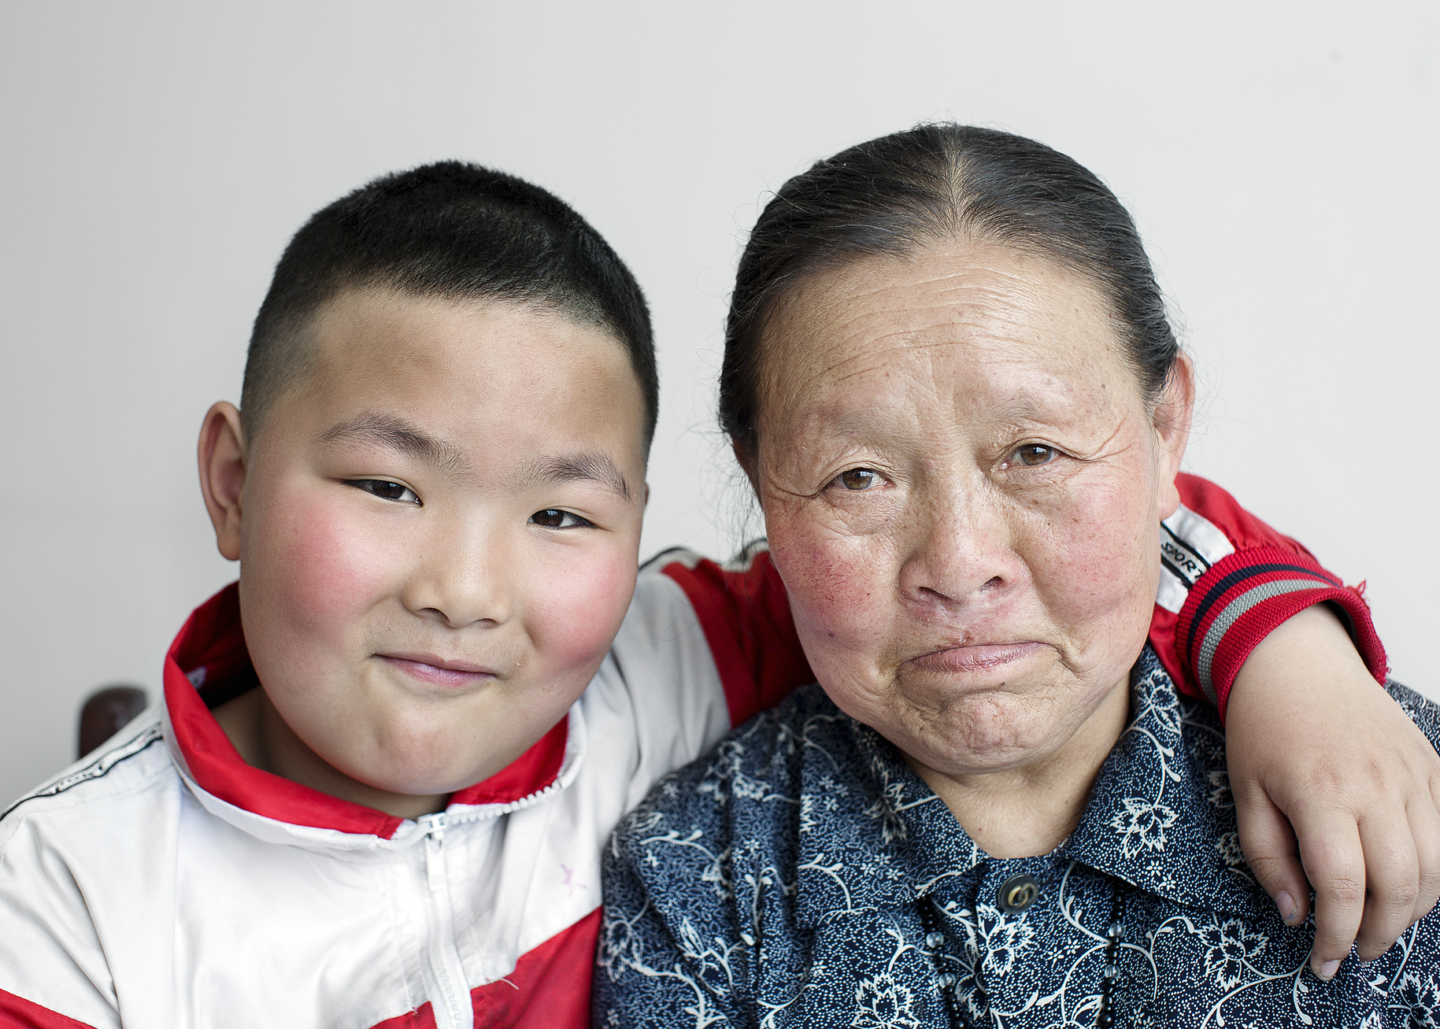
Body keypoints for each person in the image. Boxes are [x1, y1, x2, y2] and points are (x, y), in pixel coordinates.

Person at [0, 160, 1422, 1029]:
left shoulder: (651, 657)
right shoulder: (57, 904)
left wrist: (1285, 647)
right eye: (387, 487)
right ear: (233, 483)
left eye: (561, 513)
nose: (469, 589)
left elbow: (1056, 555)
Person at [595, 125, 1440, 1027]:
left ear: (1163, 434)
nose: (959, 568)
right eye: (858, 476)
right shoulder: (695, 878)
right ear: (760, 479)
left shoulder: (1390, 791)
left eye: (1035, 452)